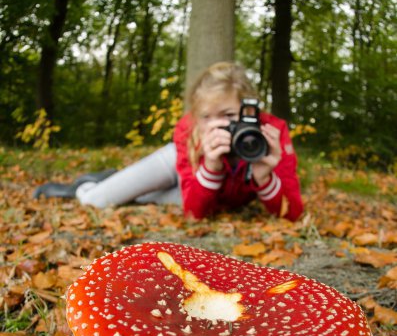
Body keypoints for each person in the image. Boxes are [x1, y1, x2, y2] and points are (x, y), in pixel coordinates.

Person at [34, 62, 303, 221]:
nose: (218, 126)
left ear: (250, 110)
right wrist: (211, 163)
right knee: (96, 201)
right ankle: (88, 185)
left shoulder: (270, 133)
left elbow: (292, 213)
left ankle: (119, 179)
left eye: (230, 115)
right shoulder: (189, 129)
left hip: (203, 192)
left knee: (140, 198)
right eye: (207, 116)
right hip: (176, 163)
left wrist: (265, 178)